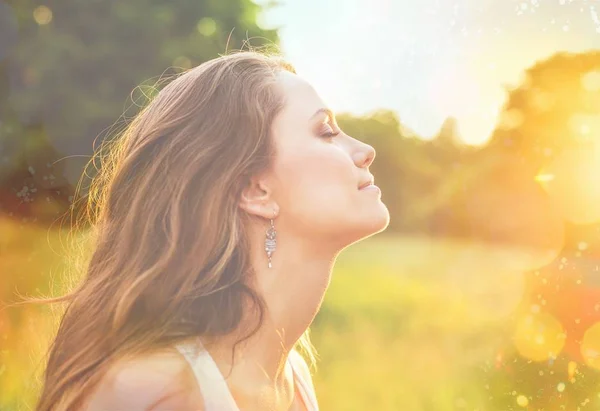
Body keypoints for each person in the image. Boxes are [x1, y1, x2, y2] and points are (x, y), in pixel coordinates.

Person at [35, 50, 390, 410]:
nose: (365, 150)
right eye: (326, 131)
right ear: (255, 190)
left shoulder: (294, 379)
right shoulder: (149, 392)